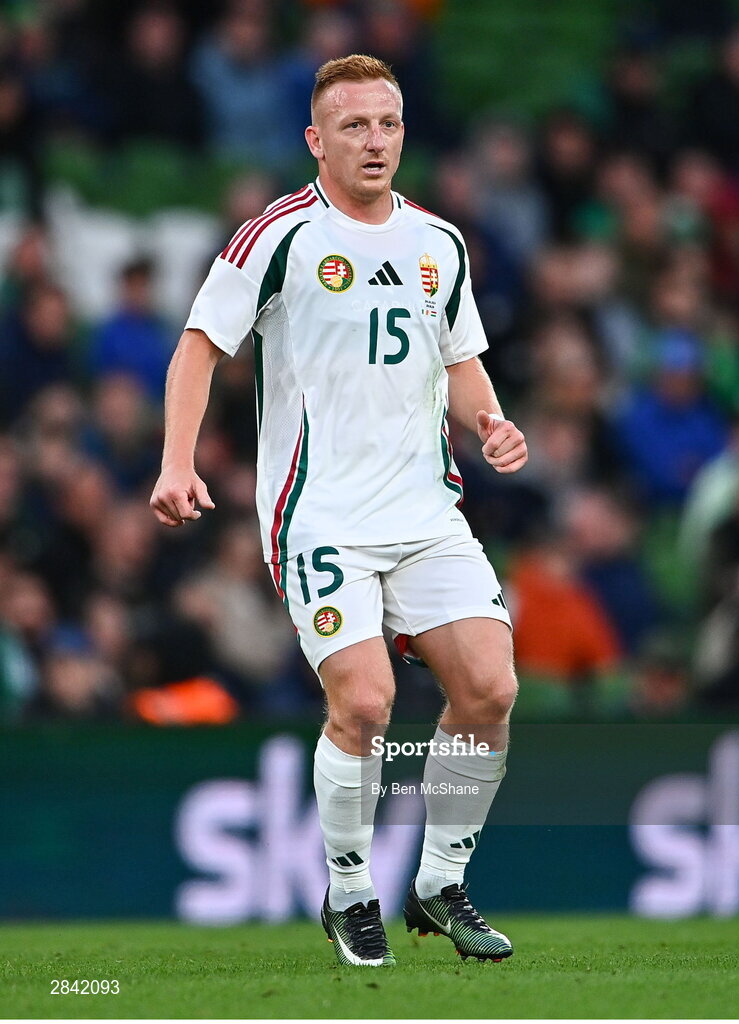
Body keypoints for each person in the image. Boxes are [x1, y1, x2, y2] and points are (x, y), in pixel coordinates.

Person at [150, 55, 527, 967]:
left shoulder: (440, 242)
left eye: (388, 124)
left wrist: (490, 421)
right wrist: (176, 461)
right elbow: (199, 349)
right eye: (354, 126)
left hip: (426, 511)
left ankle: (439, 884)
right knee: (365, 701)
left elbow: (459, 353)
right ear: (316, 140)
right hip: (320, 517)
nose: (375, 140)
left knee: (491, 688)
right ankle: (350, 888)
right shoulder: (274, 237)